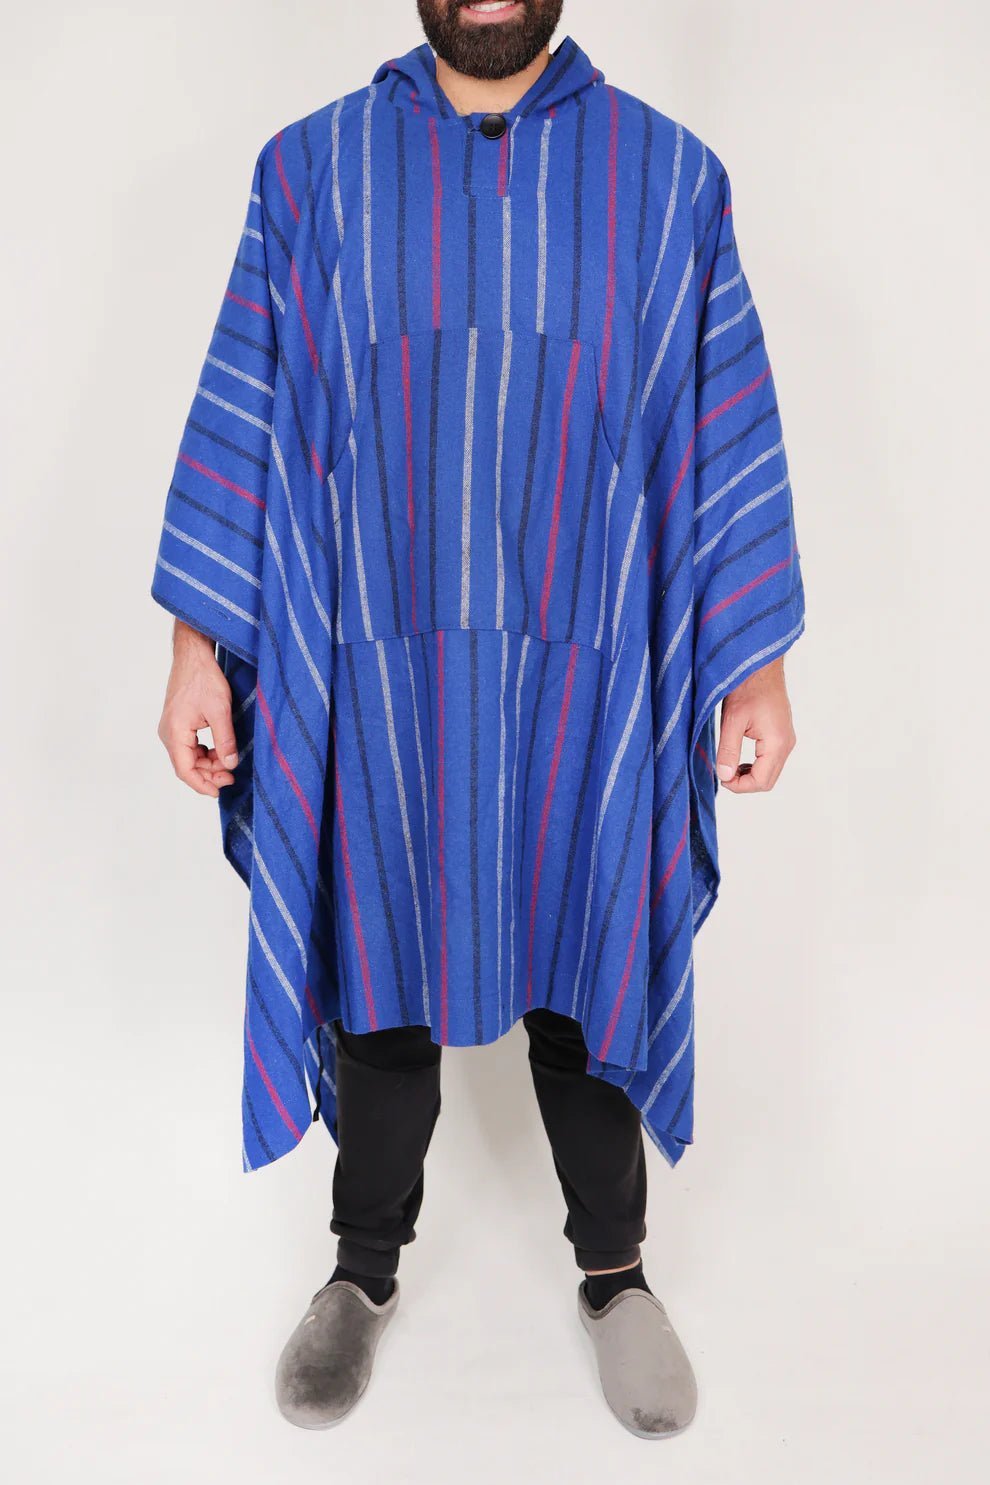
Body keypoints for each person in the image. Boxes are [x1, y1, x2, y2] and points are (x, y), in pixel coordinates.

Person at [153, 0, 804, 1440]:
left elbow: (719, 425)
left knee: (587, 951)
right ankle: (362, 1266)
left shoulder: (667, 182)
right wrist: (199, 645)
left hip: (587, 678)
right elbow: (249, 410)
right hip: (380, 670)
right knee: (381, 962)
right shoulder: (313, 172)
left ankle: (615, 1274)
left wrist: (751, 663)